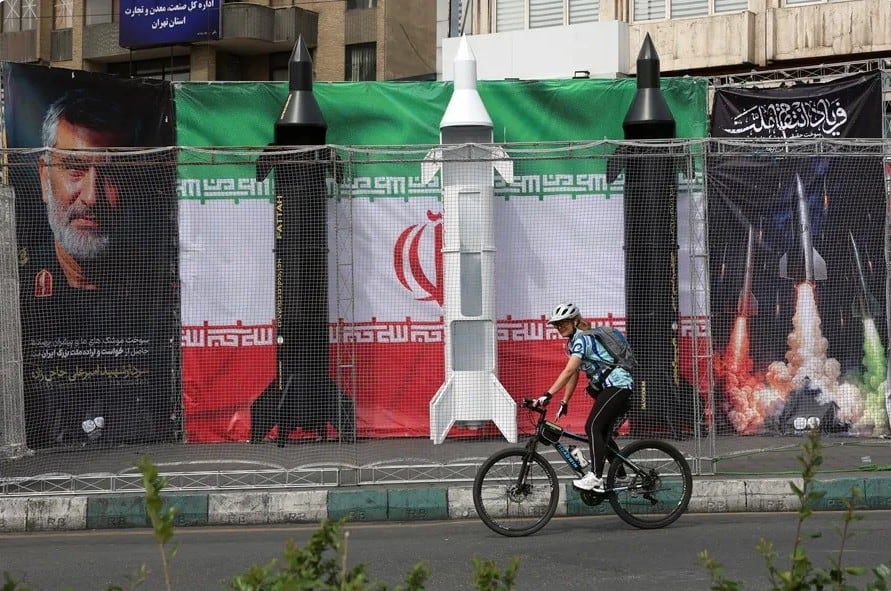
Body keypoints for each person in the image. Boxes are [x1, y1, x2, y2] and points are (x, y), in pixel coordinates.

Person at [37, 89, 135, 291]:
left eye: (111, 173)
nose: (92, 197)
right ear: (44, 177)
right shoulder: (13, 281)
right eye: (75, 169)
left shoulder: (158, 285)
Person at [535, 302, 634, 492]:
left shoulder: (583, 340)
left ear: (574, 321)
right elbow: (574, 375)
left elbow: (569, 369)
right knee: (602, 430)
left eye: (563, 323)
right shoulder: (573, 343)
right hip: (610, 387)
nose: (559, 327)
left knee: (593, 426)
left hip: (618, 385)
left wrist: (547, 395)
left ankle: (596, 477)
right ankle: (618, 471)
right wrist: (564, 401)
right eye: (557, 324)